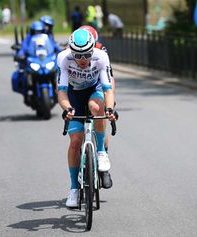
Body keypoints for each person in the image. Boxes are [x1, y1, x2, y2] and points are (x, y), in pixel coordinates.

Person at [57, 29, 117, 208]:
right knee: (75, 141)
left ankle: (100, 151)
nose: (83, 60)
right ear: (71, 51)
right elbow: (61, 92)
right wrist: (67, 108)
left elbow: (108, 89)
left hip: (94, 90)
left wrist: (110, 109)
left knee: (96, 108)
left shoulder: (101, 56)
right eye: (78, 55)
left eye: (87, 55)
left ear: (93, 50)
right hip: (73, 95)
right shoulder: (63, 58)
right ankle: (74, 189)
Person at [79, 25, 116, 189]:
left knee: (100, 116)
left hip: (98, 87)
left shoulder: (101, 50)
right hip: (78, 88)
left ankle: (104, 161)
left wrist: (110, 102)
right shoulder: (72, 50)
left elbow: (110, 78)